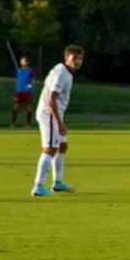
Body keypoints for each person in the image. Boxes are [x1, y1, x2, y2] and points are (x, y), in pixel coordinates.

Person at [31, 45, 86, 197]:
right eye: (74, 58)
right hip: (49, 114)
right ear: (66, 58)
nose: (78, 61)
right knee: (50, 149)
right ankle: (38, 186)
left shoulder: (64, 71)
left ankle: (58, 182)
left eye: (80, 58)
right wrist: (59, 123)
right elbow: (51, 100)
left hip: (54, 114)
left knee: (62, 146)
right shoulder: (62, 74)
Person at [9, 55, 36, 128]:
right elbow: (17, 80)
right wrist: (16, 89)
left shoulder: (31, 71)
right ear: (20, 62)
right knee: (16, 106)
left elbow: (33, 82)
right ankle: (13, 124)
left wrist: (29, 86)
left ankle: (28, 124)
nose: (24, 62)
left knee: (29, 107)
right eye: (23, 61)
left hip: (28, 92)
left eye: (25, 61)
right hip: (19, 92)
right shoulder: (18, 71)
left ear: (27, 62)